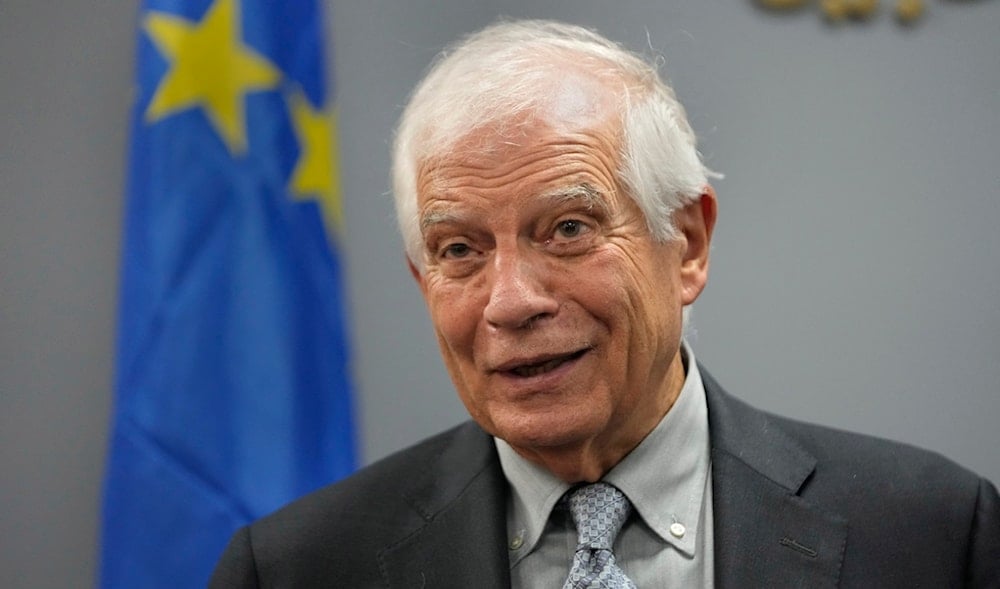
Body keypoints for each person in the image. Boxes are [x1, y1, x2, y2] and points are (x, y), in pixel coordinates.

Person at [210, 19, 999, 588]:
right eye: (460, 250)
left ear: (685, 243)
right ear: (424, 282)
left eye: (568, 228)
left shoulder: (933, 535)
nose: (510, 303)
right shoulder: (293, 568)